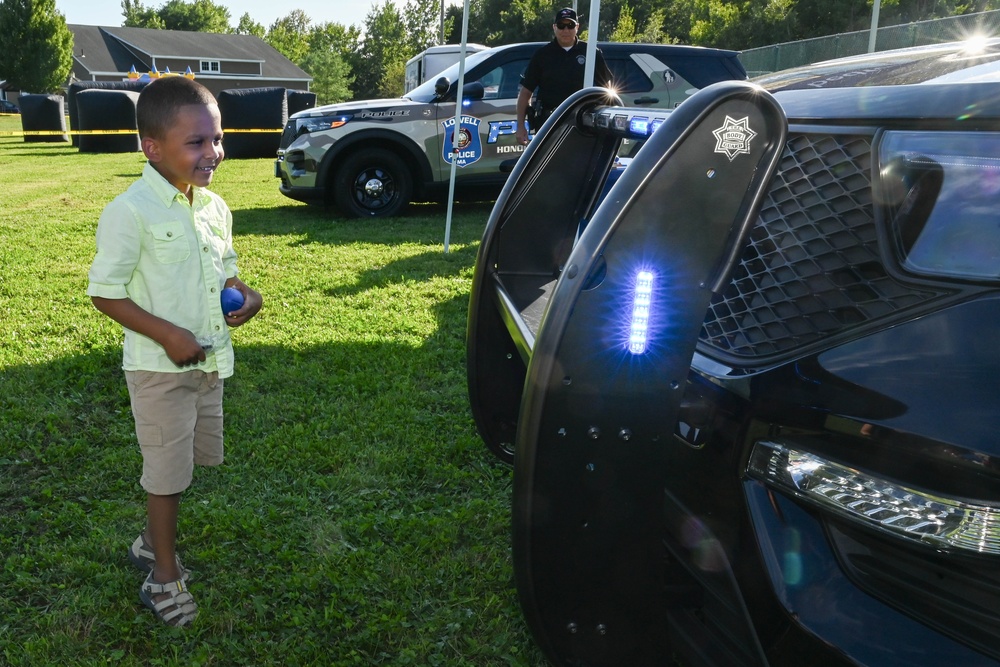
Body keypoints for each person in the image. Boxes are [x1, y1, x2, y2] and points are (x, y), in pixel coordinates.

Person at [87, 75, 262, 627]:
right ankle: (163, 577)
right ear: (152, 148)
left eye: (217, 139)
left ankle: (147, 543)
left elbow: (227, 272)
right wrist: (166, 333)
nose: (213, 153)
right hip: (159, 372)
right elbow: (105, 292)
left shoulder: (214, 208)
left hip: (208, 364)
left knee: (186, 464)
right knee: (166, 476)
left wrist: (248, 296)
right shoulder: (130, 211)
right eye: (196, 142)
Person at [515, 7, 613, 145]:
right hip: (549, 122)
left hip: (583, 122)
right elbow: (525, 93)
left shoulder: (591, 53)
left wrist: (605, 120)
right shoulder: (542, 55)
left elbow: (606, 90)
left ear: (577, 27)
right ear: (554, 27)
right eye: (561, 26)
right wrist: (520, 126)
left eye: (570, 25)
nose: (565, 30)